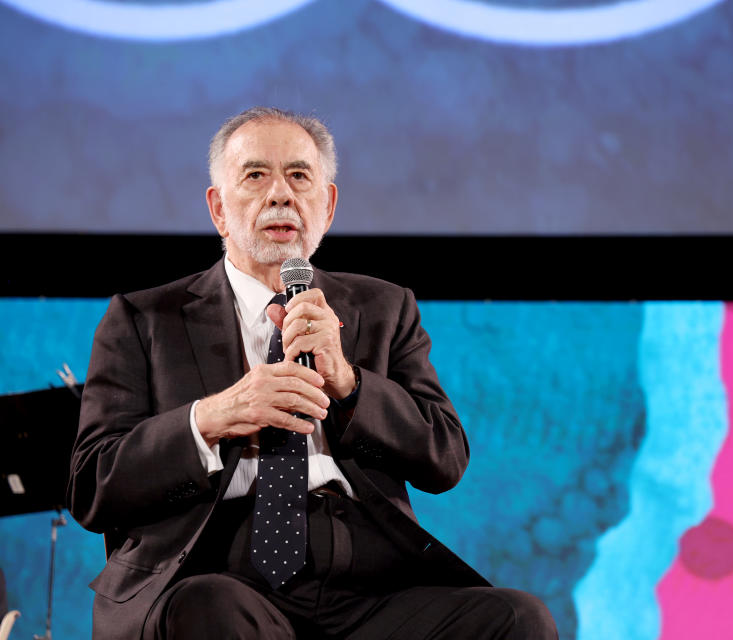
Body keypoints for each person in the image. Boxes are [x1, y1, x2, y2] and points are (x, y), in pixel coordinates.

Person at [67, 107, 557, 640]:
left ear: (327, 206)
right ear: (218, 210)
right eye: (255, 176)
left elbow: (444, 459)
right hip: (217, 568)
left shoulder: (384, 307)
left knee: (518, 619)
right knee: (210, 606)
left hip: (368, 578)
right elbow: (93, 484)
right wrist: (212, 417)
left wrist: (349, 383)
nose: (281, 195)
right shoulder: (144, 319)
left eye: (299, 176)